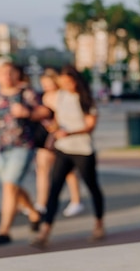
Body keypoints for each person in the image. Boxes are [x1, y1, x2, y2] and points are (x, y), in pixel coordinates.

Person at [0, 56, 48, 245]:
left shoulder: (26, 93)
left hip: (24, 146)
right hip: (3, 149)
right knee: (12, 185)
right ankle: (34, 213)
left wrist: (27, 113)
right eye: (3, 72)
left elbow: (45, 112)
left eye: (11, 71)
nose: (8, 76)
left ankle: (4, 231)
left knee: (10, 186)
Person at [31, 65, 105, 248]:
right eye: (62, 82)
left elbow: (90, 125)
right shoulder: (61, 96)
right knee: (54, 188)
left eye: (68, 82)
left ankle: (99, 224)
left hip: (82, 150)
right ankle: (45, 231)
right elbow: (57, 117)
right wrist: (54, 127)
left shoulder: (86, 99)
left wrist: (70, 133)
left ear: (76, 81)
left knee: (92, 186)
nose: (65, 85)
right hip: (63, 149)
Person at [33, 68, 84, 216]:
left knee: (67, 170)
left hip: (59, 136)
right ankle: (41, 202)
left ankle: (75, 200)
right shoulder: (45, 96)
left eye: (48, 83)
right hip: (47, 137)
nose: (46, 87)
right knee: (42, 169)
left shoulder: (62, 96)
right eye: (43, 84)